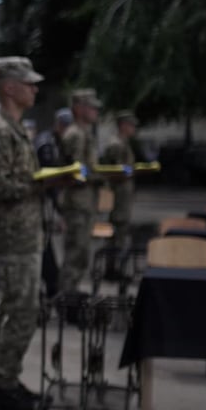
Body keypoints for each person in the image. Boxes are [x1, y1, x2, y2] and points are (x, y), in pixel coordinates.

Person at [0, 57, 47, 410]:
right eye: (28, 83)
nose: (35, 89)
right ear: (9, 87)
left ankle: (9, 379)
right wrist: (42, 182)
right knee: (18, 310)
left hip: (26, 233)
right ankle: (3, 385)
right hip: (12, 237)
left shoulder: (17, 129)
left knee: (26, 308)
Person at [58, 88, 100, 295]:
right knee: (76, 251)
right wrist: (100, 175)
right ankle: (67, 296)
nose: (95, 111)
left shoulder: (84, 133)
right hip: (76, 202)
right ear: (78, 108)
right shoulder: (75, 135)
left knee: (82, 251)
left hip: (85, 201)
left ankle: (70, 292)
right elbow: (76, 171)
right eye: (91, 107)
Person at [35, 108, 72, 299]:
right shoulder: (47, 145)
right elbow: (49, 181)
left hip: (46, 201)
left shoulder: (57, 142)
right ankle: (50, 286)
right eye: (64, 126)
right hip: (40, 202)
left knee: (45, 246)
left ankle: (51, 285)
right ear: (58, 125)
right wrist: (60, 212)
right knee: (43, 247)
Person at [100, 110, 139, 254]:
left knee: (121, 230)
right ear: (123, 125)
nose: (133, 129)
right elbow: (116, 171)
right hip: (118, 195)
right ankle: (114, 265)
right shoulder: (116, 145)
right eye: (131, 125)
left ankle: (117, 264)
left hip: (124, 193)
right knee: (117, 229)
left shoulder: (123, 143)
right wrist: (133, 171)